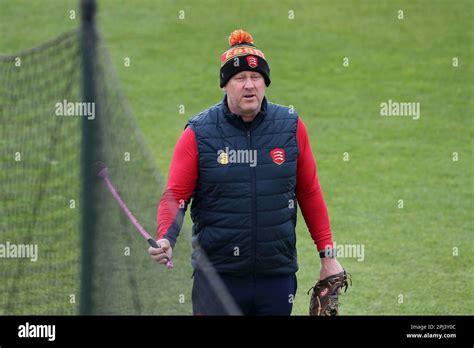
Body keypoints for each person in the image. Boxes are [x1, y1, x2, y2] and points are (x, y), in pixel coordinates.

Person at [149, 29, 344, 315]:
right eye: (240, 79)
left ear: (265, 83)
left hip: (276, 276)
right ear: (225, 85)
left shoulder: (290, 126)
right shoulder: (198, 133)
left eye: (256, 78)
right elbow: (176, 195)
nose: (249, 85)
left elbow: (309, 192)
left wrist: (328, 257)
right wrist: (166, 236)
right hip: (217, 278)